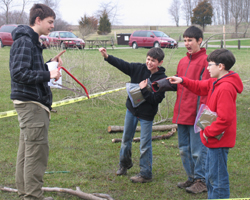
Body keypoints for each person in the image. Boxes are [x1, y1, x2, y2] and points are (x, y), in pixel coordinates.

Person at [167, 48, 243, 199]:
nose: (207, 68)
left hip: (218, 140)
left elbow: (225, 119)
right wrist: (183, 80)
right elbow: (200, 86)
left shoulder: (226, 87)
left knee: (218, 179)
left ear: (220, 66)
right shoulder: (216, 81)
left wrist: (207, 132)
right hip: (212, 140)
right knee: (210, 176)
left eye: (210, 65)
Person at [9, 4, 65, 200]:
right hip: (31, 105)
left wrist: (49, 63)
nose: (52, 26)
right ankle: (33, 197)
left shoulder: (31, 42)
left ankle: (26, 193)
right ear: (38, 20)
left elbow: (29, 68)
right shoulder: (25, 42)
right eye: (50, 22)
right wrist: (48, 73)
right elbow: (18, 73)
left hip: (32, 104)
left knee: (27, 151)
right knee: (36, 153)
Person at [99, 47, 175, 183]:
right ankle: (124, 164)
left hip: (147, 115)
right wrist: (107, 57)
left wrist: (143, 90)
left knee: (145, 144)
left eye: (153, 61)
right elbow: (122, 64)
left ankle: (146, 173)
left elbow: (155, 100)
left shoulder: (162, 80)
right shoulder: (138, 69)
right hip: (132, 111)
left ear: (160, 62)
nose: (149, 63)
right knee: (126, 140)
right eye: (148, 59)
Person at [152, 26, 210, 193]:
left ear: (200, 40)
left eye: (190, 40)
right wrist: (160, 85)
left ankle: (202, 180)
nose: (187, 44)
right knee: (185, 149)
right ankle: (191, 178)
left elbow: (207, 88)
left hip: (200, 113)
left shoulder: (206, 61)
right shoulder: (183, 61)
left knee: (199, 150)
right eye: (184, 40)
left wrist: (206, 118)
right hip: (182, 111)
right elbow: (180, 84)